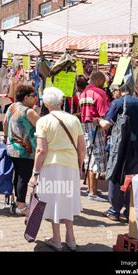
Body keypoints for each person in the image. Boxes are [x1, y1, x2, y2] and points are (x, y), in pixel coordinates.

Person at [29, 87, 86, 251]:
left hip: (50, 166)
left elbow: (41, 150)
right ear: (61, 102)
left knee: (53, 200)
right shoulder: (74, 120)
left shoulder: (43, 121)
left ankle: (57, 238)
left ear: (46, 103)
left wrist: (35, 173)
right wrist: (80, 165)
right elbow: (82, 148)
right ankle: (71, 238)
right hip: (71, 165)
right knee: (67, 199)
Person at [99, 84, 138, 223]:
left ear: (119, 90)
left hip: (119, 147)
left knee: (115, 176)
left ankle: (114, 210)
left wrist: (100, 121)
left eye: (114, 91)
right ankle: (129, 211)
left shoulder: (117, 103)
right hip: (136, 147)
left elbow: (106, 124)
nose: (113, 94)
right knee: (132, 179)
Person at [3, 85, 40, 216]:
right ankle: (21, 205)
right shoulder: (28, 112)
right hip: (26, 150)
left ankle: (19, 202)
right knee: (23, 177)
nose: (34, 98)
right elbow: (41, 126)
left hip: (12, 147)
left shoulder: (11, 107)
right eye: (32, 96)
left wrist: (6, 138)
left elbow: (5, 124)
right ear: (26, 97)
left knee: (17, 176)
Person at [78, 71, 110, 202]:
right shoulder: (99, 93)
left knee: (89, 157)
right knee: (96, 159)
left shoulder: (83, 93)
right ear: (98, 80)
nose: (103, 85)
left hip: (85, 126)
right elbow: (104, 113)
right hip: (96, 126)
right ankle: (93, 192)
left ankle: (92, 189)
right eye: (103, 82)